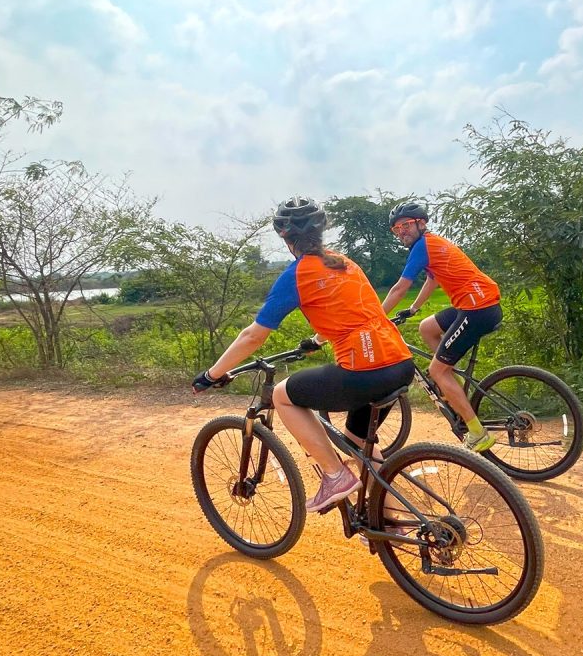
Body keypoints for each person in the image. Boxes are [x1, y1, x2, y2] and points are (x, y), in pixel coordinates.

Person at [193, 196, 415, 512]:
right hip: (399, 363)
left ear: (284, 236)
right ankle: (392, 516)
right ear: (322, 231)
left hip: (364, 370)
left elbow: (253, 336)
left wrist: (211, 374)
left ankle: (336, 476)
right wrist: (316, 340)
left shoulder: (298, 274)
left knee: (283, 395)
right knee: (357, 439)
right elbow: (352, 312)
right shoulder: (344, 262)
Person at [380, 201, 502, 452]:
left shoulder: (422, 246)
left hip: (477, 308)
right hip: (479, 303)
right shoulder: (433, 243)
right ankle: (453, 383)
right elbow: (433, 279)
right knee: (427, 327)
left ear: (421, 223)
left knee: (437, 371)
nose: (401, 231)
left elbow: (399, 287)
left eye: (405, 225)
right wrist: (413, 309)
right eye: (396, 229)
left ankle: (478, 434)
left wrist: (375, 319)